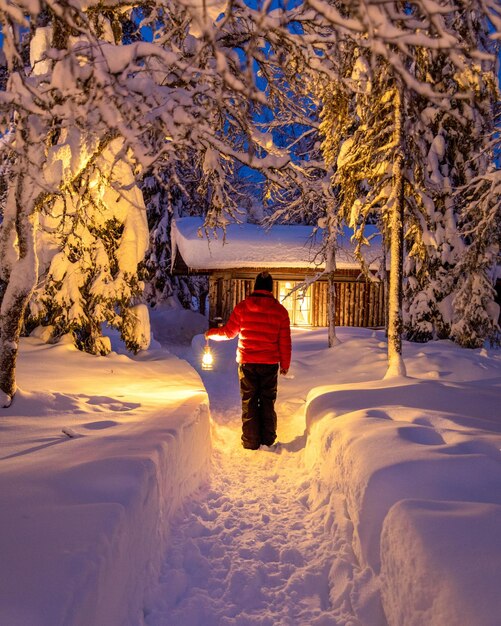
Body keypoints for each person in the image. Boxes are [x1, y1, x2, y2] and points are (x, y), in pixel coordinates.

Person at [205, 271, 291, 450]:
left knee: (249, 401)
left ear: (255, 287)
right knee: (267, 401)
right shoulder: (280, 311)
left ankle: (251, 441)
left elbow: (229, 332)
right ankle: (267, 440)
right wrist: (285, 364)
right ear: (270, 288)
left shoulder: (243, 307)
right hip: (269, 364)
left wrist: (211, 333)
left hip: (248, 363)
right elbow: (285, 341)